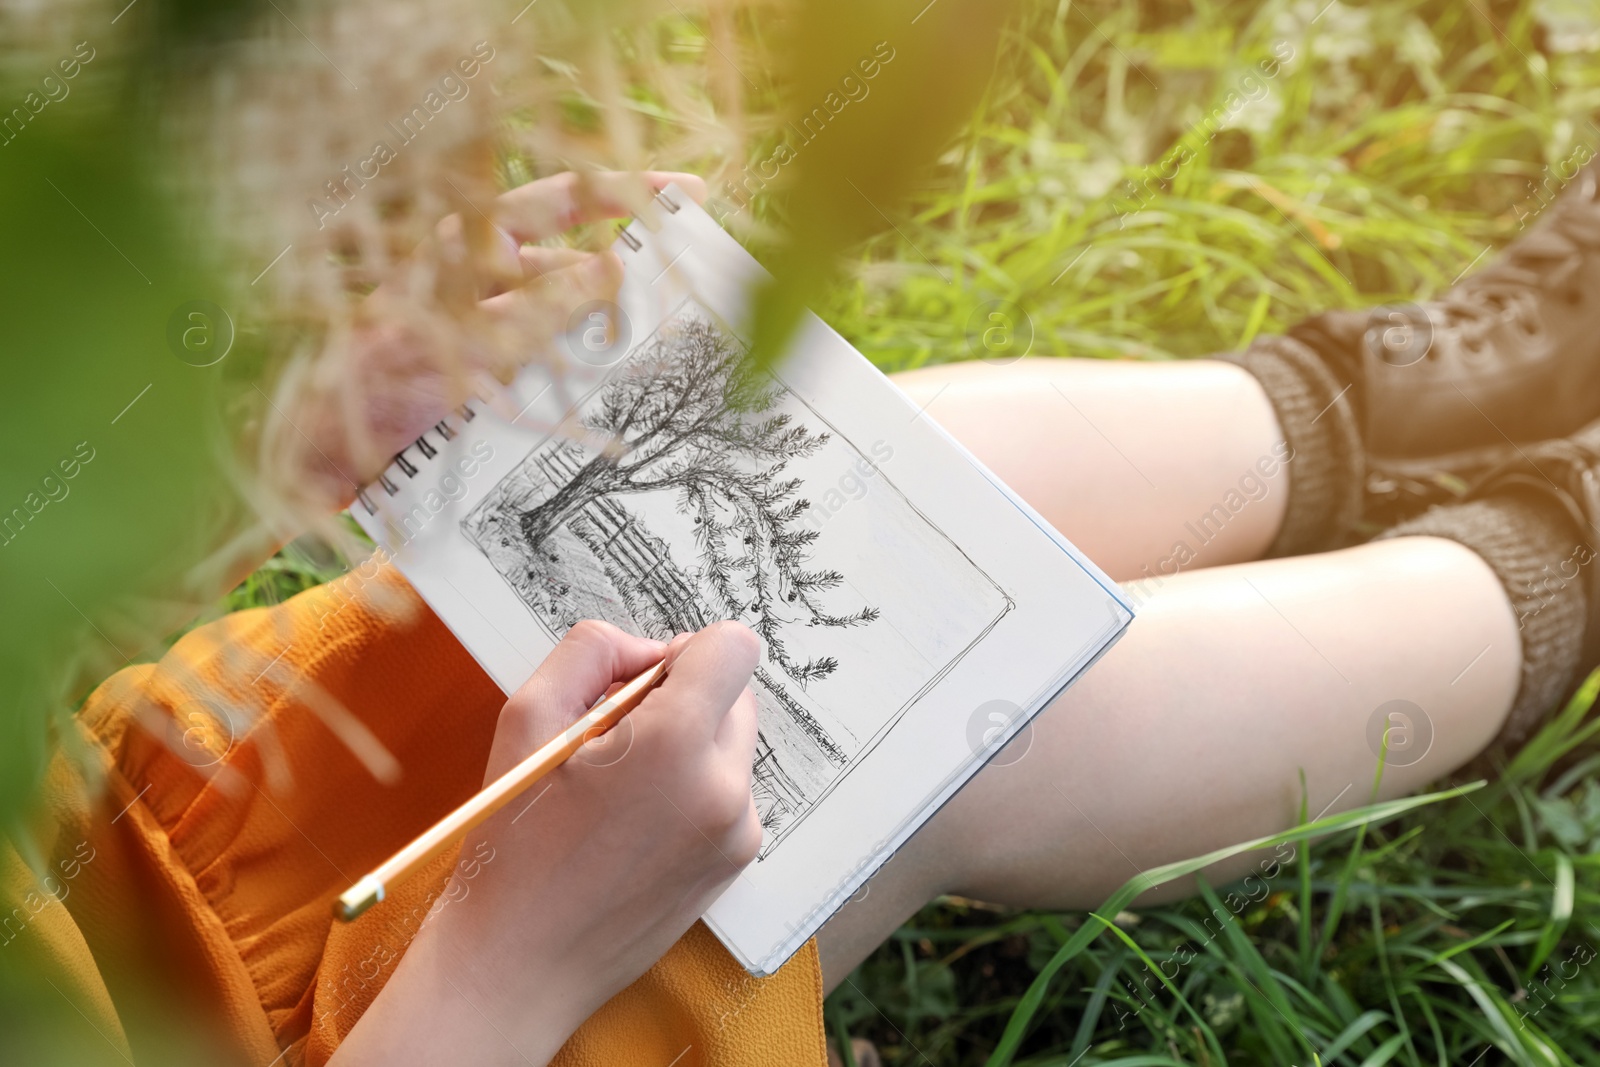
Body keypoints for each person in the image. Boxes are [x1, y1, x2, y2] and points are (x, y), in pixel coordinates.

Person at [19, 161, 1600, 1065]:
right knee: (921, 732)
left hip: (132, 866)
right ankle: (1552, 570)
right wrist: (511, 957)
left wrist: (267, 443)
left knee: (877, 494)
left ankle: (1383, 405)